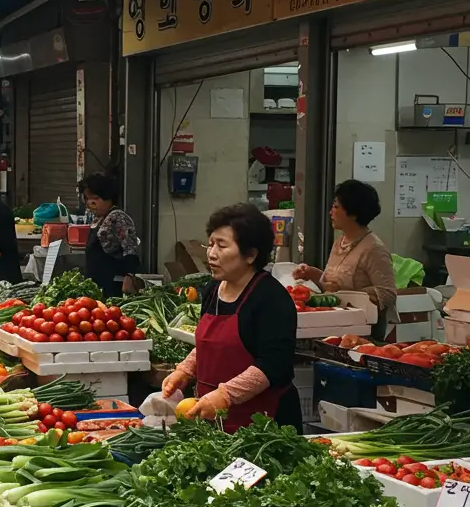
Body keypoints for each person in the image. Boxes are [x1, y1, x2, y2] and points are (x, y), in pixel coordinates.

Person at [162, 203, 302, 432]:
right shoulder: (212, 290)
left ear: (250, 255)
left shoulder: (272, 299)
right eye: (210, 244)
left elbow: (273, 365)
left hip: (264, 427)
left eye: (221, 245)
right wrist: (185, 370)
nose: (211, 253)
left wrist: (225, 395)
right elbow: (211, 345)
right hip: (213, 417)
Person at [293, 179, 397, 340]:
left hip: (362, 334)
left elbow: (387, 293)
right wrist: (313, 274)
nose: (330, 212)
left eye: (336, 207)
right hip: (335, 326)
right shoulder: (339, 242)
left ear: (353, 213)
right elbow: (332, 286)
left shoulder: (373, 249)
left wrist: (346, 295)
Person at [80, 173, 140, 296]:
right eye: (87, 198)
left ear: (109, 198)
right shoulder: (99, 219)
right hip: (97, 286)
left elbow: (130, 249)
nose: (90, 203)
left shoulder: (117, 217)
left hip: (112, 286)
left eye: (96, 198)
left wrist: (129, 276)